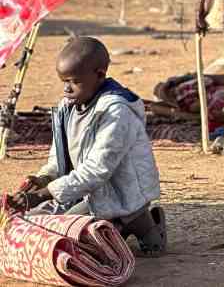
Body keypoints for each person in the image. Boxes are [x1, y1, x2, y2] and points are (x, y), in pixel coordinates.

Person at [5, 37, 166, 257]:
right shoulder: (69, 107)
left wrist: (43, 195)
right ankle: (127, 223)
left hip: (119, 193)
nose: (66, 89)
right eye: (64, 81)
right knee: (31, 220)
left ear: (99, 75)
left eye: (73, 81)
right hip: (88, 190)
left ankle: (138, 220)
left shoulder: (116, 113)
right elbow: (59, 158)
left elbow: (97, 170)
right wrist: (43, 179)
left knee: (64, 238)